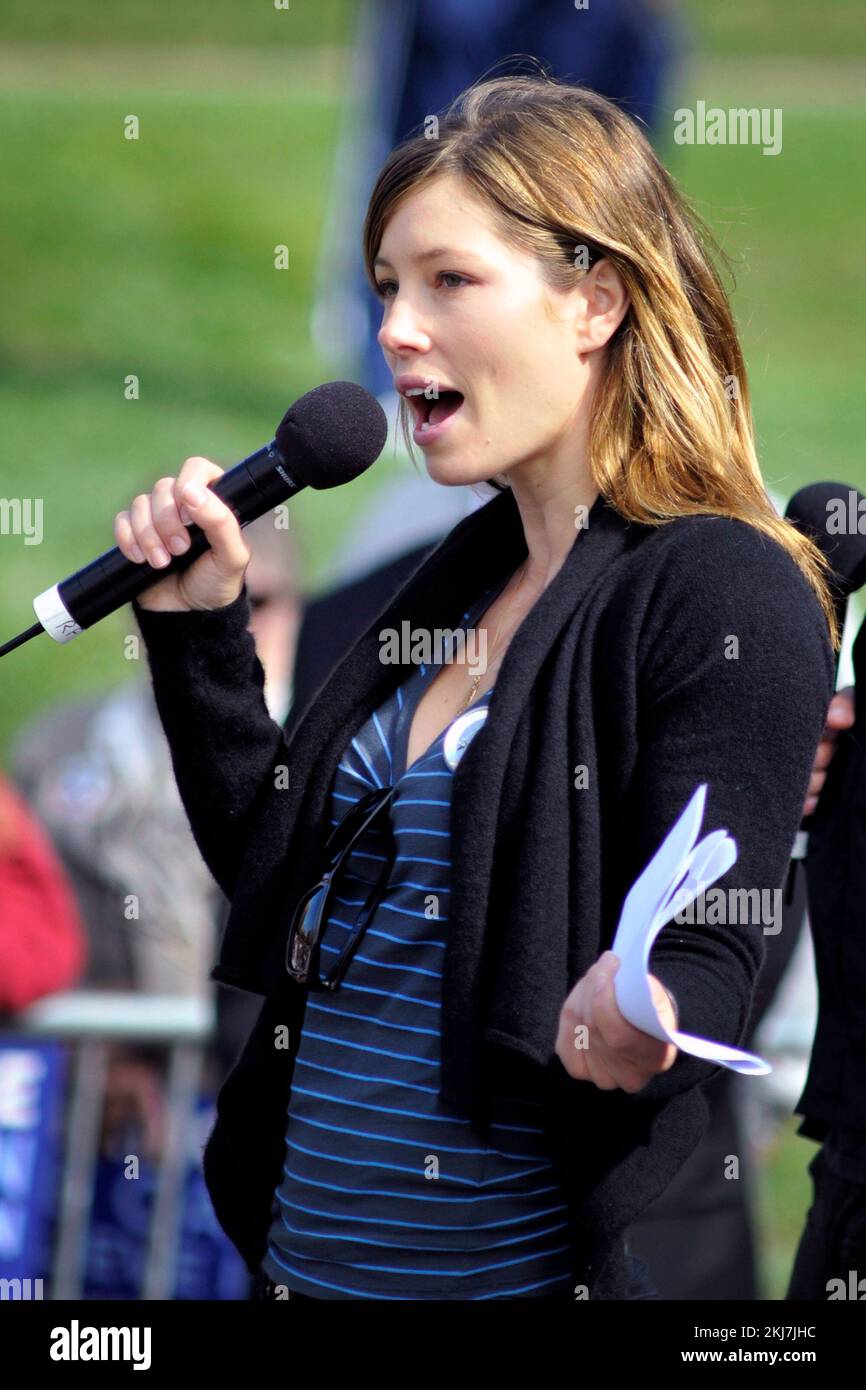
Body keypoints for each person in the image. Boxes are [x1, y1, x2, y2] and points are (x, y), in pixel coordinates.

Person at [112, 75, 839, 1300]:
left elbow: (716, 936)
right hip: (302, 1269)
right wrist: (200, 639)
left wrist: (646, 1004)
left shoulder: (719, 583)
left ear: (592, 300)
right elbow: (287, 882)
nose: (394, 327)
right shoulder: (457, 576)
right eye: (387, 285)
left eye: (448, 281)